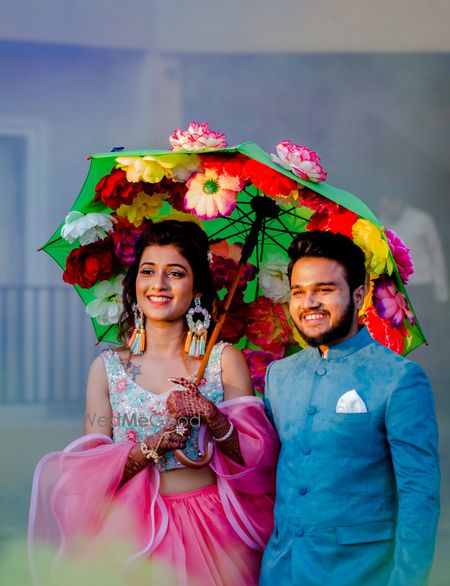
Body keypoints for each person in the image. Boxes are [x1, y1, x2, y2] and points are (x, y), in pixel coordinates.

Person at [29, 220, 278, 586]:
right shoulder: (106, 369)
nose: (159, 284)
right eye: (148, 271)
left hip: (211, 529)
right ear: (134, 284)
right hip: (130, 535)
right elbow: (90, 477)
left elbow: (256, 464)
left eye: (175, 273)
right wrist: (152, 446)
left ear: (195, 288)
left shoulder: (223, 361)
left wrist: (213, 417)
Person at [259, 230, 440, 586]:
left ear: (359, 295)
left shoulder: (399, 378)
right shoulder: (278, 375)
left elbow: (419, 498)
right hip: (281, 571)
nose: (308, 302)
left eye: (324, 290)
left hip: (359, 573)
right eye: (298, 292)